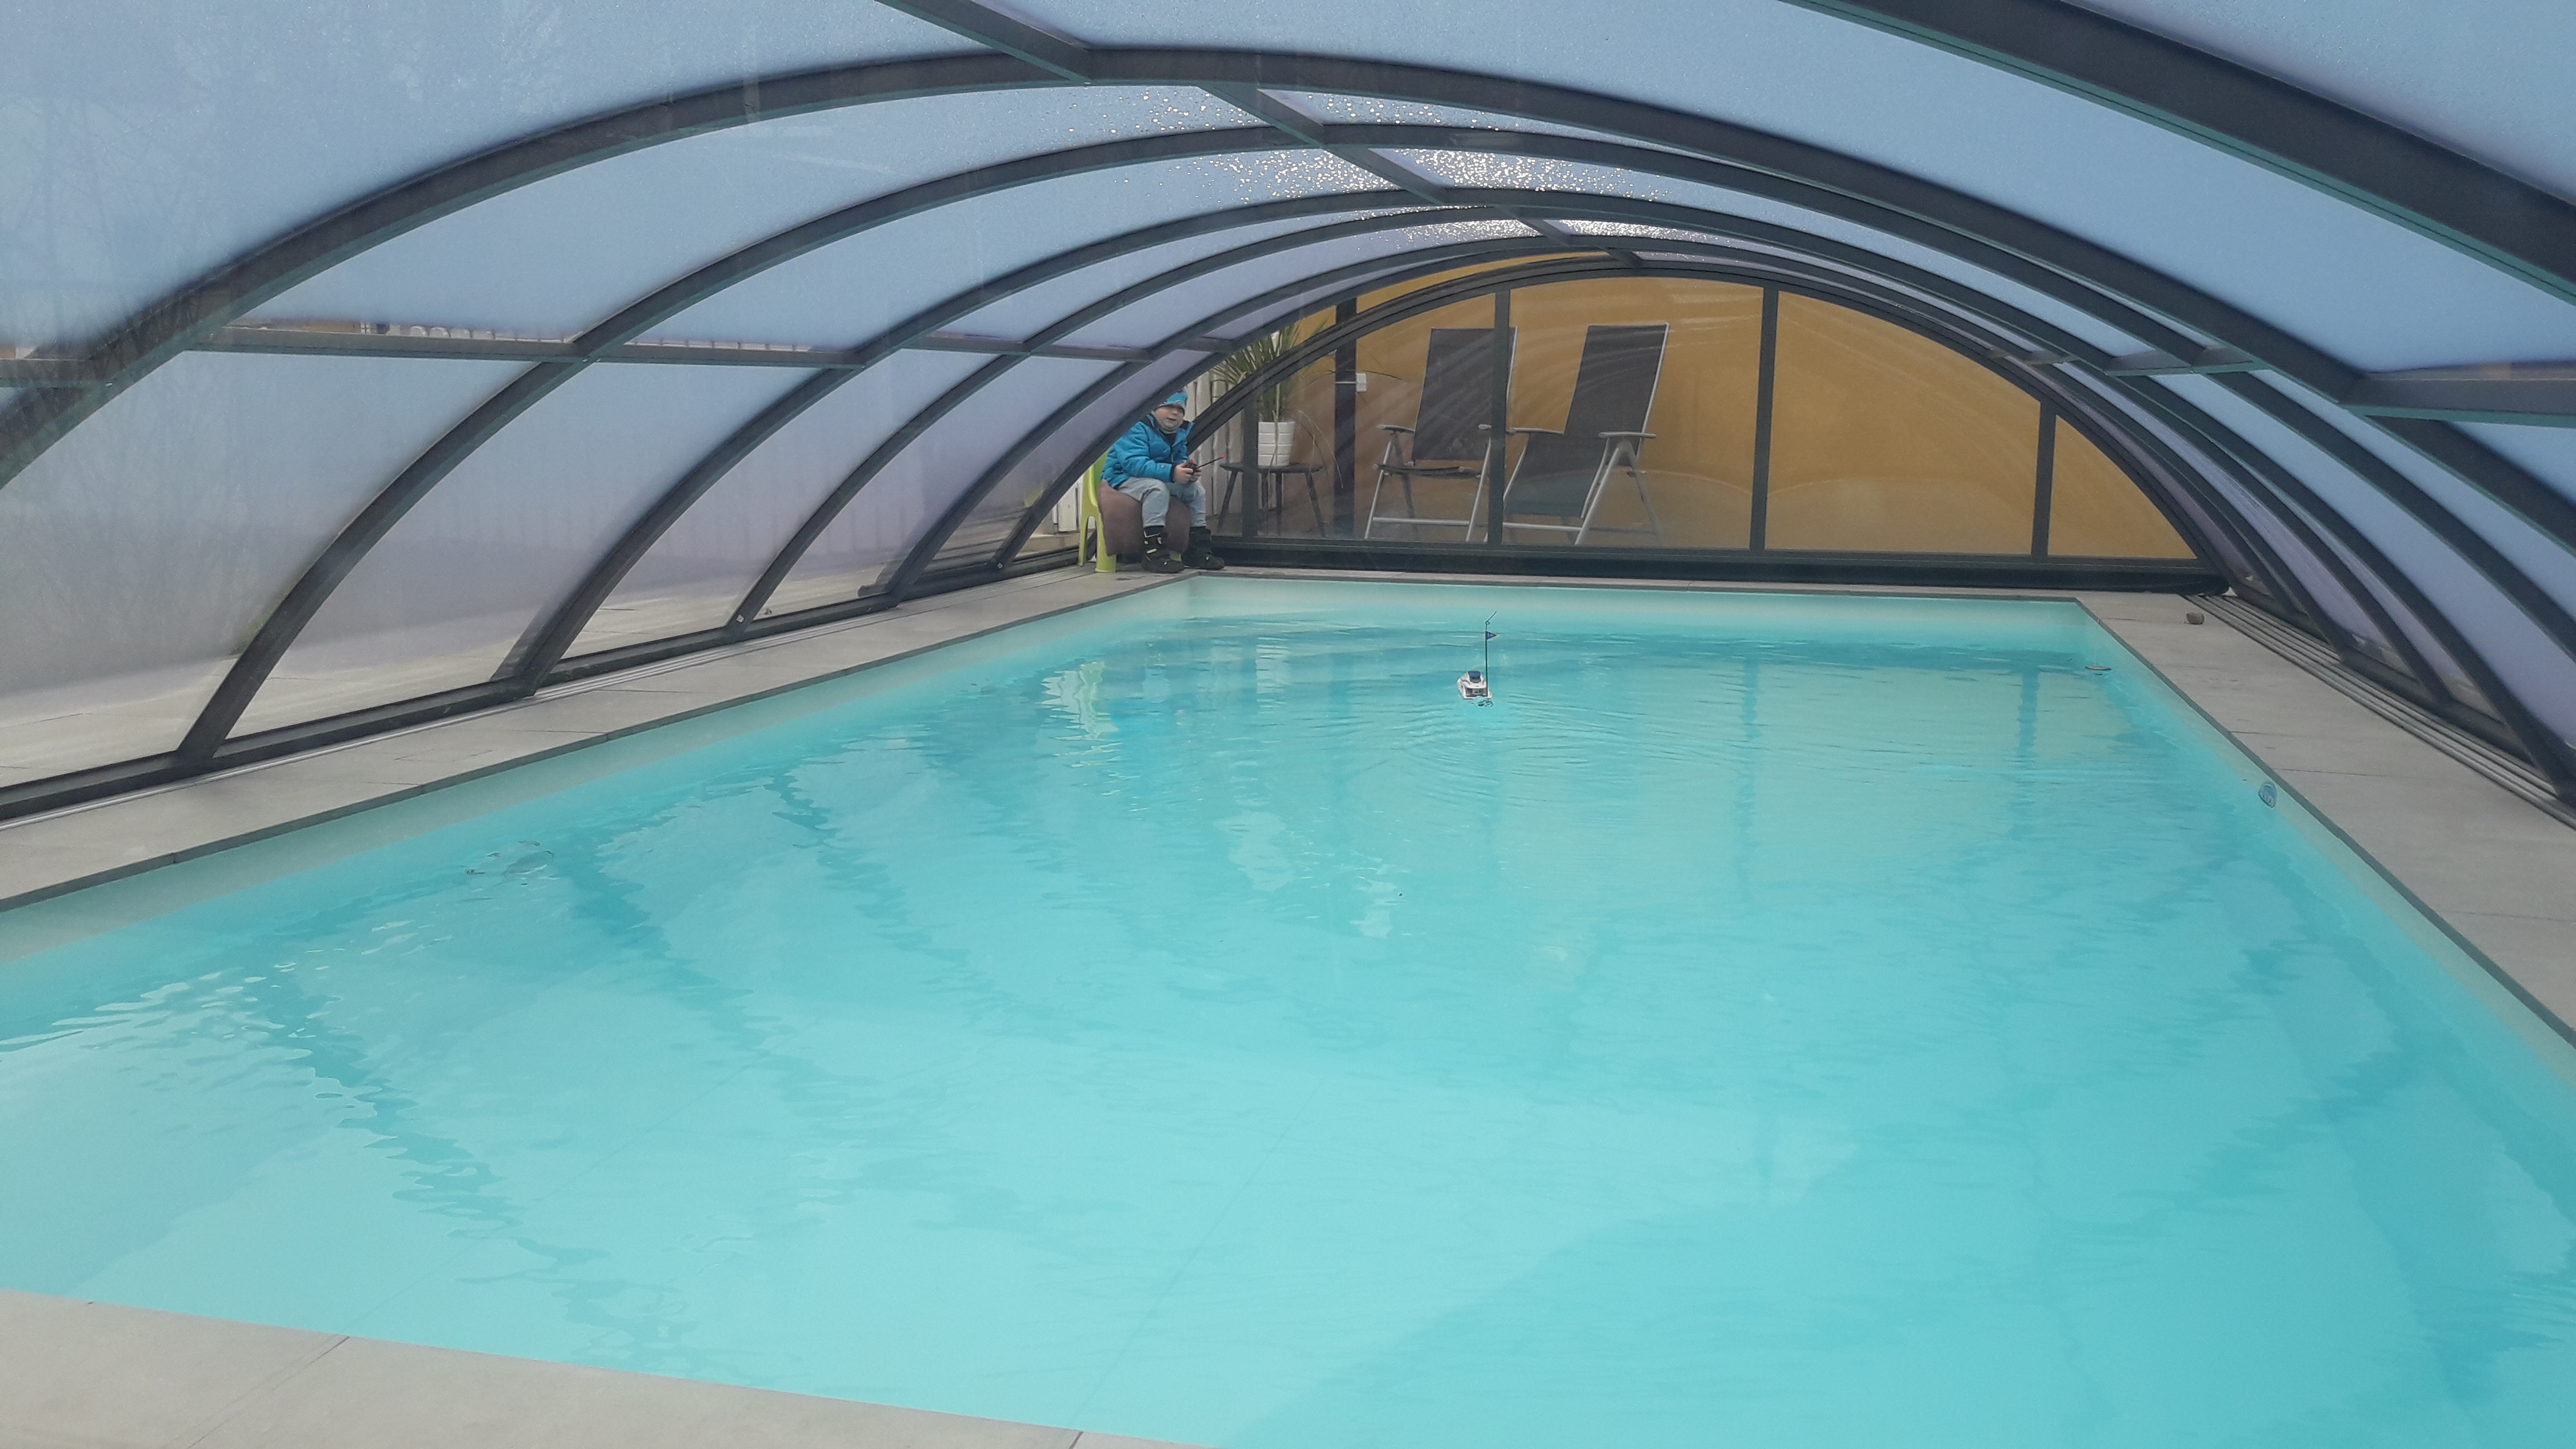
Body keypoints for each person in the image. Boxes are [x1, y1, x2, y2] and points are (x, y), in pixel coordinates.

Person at [1103, 392, 1224, 574]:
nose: (1174, 413)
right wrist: (1172, 472)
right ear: (1153, 408)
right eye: (1168, 407)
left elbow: (1180, 458)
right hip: (1123, 477)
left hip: (1157, 475)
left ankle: (1197, 550)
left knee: (1196, 490)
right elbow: (1133, 463)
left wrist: (1187, 471)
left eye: (1180, 410)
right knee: (1156, 489)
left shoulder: (1179, 433)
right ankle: (1154, 553)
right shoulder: (1135, 427)